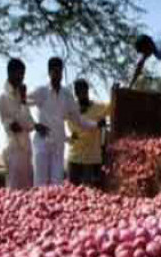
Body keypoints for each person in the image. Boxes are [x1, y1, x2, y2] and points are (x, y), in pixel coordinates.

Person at [27, 57, 105, 187]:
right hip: (42, 143)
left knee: (56, 185)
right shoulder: (42, 91)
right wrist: (34, 124)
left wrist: (96, 124)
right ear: (49, 72)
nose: (58, 75)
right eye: (55, 71)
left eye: (60, 71)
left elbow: (79, 120)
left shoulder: (67, 95)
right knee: (40, 184)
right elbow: (23, 102)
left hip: (58, 145)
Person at [0, 58, 48, 190]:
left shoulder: (21, 97)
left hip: (26, 147)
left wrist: (36, 126)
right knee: (13, 189)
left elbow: (28, 122)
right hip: (13, 147)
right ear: (10, 72)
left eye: (23, 74)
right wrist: (17, 125)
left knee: (26, 189)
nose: (21, 77)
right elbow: (10, 124)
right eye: (19, 73)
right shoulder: (2, 98)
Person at [67, 79, 111, 187]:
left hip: (91, 159)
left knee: (89, 193)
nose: (81, 94)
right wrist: (96, 125)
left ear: (87, 90)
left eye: (83, 90)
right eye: (77, 91)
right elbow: (77, 131)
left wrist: (114, 91)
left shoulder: (98, 108)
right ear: (75, 93)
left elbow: (112, 105)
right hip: (74, 157)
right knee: (71, 192)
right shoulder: (71, 110)